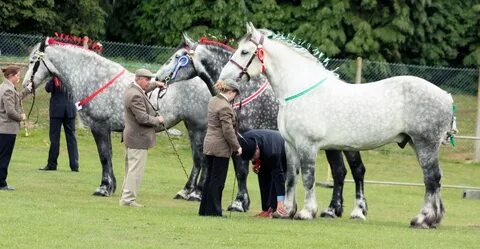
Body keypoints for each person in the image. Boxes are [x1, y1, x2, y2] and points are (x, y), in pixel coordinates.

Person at [119, 68, 166, 208]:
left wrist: (156, 84)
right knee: (135, 171)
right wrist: (158, 120)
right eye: (147, 80)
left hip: (132, 137)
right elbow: (142, 118)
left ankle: (125, 195)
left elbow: (144, 90)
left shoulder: (132, 89)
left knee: (130, 169)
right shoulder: (136, 95)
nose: (149, 82)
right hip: (138, 138)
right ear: (139, 79)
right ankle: (127, 200)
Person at [199, 79, 242, 217]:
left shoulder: (213, 100)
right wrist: (237, 146)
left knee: (209, 177)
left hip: (209, 144)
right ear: (231, 92)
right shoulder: (225, 106)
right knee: (218, 180)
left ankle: (205, 209)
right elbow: (227, 130)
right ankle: (214, 211)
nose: (234, 98)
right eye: (235, 95)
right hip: (220, 148)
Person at [238, 129, 288, 218]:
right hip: (265, 146)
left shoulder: (272, 153)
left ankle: (273, 208)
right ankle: (265, 209)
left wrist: (280, 202)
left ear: (257, 148)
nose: (252, 159)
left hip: (283, 148)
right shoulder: (245, 140)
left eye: (253, 157)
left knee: (274, 177)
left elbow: (279, 177)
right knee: (262, 174)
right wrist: (255, 162)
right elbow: (249, 152)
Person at [0, 66, 31, 191]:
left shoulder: (5, 87)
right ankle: (1, 183)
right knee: (4, 157)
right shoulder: (8, 90)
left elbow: (16, 98)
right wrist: (21, 117)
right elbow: (10, 111)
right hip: (7, 129)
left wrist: (27, 90)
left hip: (4, 129)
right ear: (11, 76)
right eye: (18, 75)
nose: (19, 78)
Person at [39, 76, 79, 172]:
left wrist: (51, 78)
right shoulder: (72, 78)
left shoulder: (55, 78)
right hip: (69, 109)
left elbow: (48, 88)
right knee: (71, 139)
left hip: (57, 111)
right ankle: (74, 165)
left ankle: (52, 164)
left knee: (54, 138)